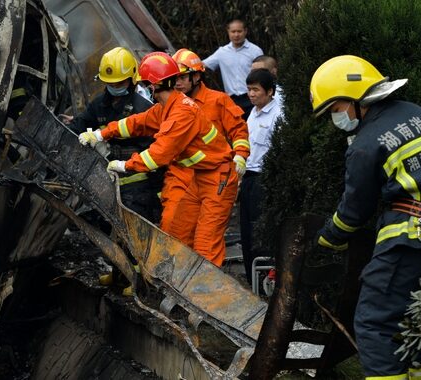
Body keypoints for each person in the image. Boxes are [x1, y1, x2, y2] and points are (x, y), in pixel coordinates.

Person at [310, 55, 421, 379]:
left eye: (334, 109)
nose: (335, 118)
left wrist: (330, 238)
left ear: (354, 100)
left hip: (407, 240)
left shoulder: (366, 145)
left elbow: (355, 208)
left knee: (374, 322)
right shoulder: (418, 114)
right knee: (420, 324)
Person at [79, 52, 237, 267]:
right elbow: (136, 123)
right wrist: (101, 134)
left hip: (218, 179)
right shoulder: (168, 107)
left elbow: (157, 156)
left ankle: (203, 297)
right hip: (200, 178)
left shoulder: (181, 113)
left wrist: (124, 165)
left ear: (152, 86)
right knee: (175, 235)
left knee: (205, 245)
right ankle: (180, 288)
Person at [64, 47, 161, 223]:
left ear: (131, 80)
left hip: (140, 186)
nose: (115, 88)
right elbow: (82, 125)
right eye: (111, 84)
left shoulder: (144, 109)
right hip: (109, 182)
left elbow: (157, 151)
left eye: (120, 83)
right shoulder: (99, 105)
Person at [170, 48, 249, 234]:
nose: (177, 83)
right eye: (174, 78)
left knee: (207, 236)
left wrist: (240, 156)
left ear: (196, 77)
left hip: (213, 175)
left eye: (182, 77)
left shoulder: (218, 101)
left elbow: (238, 130)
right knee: (175, 231)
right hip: (181, 176)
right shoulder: (170, 105)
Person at [240, 68, 283, 284]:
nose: (251, 94)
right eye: (249, 89)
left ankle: (266, 279)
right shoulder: (253, 112)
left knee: (260, 230)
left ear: (270, 92)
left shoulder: (278, 114)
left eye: (256, 90)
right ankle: (250, 279)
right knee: (246, 230)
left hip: (265, 179)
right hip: (249, 176)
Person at [203, 19, 264, 119]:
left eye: (239, 31)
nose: (236, 35)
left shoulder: (255, 51)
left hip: (251, 98)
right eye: (233, 31)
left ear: (245, 31)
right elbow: (202, 65)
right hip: (232, 101)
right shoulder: (222, 52)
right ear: (228, 32)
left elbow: (263, 74)